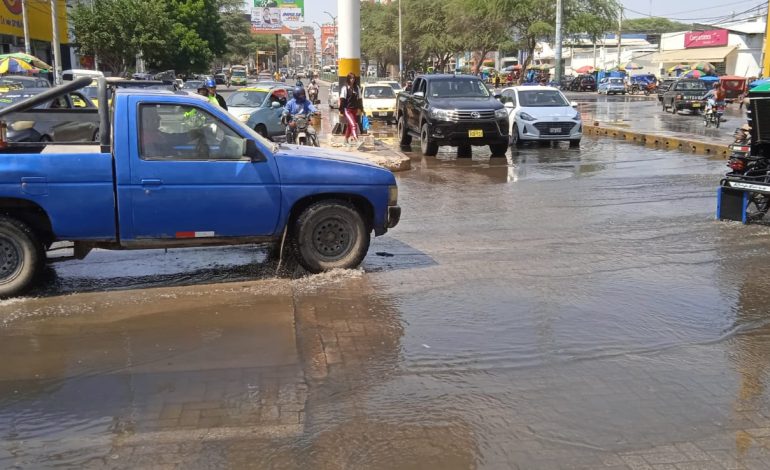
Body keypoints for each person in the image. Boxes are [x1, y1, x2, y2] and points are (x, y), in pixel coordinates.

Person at [339, 73, 363, 144]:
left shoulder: (357, 88)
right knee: (353, 124)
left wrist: (360, 109)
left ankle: (346, 139)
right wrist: (341, 110)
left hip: (354, 110)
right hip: (347, 110)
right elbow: (342, 100)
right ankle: (356, 139)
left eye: (353, 78)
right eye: (351, 78)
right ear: (348, 79)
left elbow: (359, 99)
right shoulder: (345, 88)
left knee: (350, 125)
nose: (352, 80)